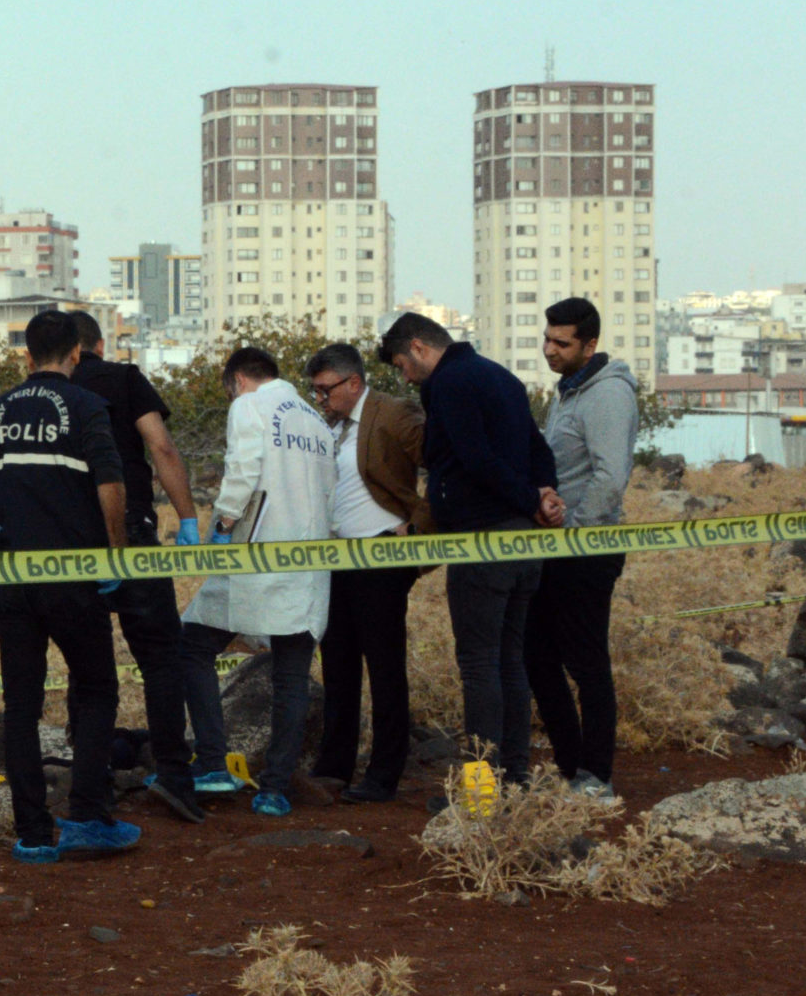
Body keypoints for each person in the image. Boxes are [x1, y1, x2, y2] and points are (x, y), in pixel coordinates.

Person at [0, 309, 137, 864]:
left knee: (21, 708)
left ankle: (31, 833)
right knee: (97, 689)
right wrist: (115, 555)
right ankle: (88, 819)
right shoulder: (86, 406)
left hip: (10, 581)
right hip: (73, 579)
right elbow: (110, 480)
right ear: (77, 354)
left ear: (26, 358)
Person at [378, 312, 562, 790]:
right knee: (510, 660)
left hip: (482, 541)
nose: (405, 376)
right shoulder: (499, 375)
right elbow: (536, 447)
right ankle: (515, 779)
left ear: (418, 347)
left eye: (402, 365)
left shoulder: (450, 383)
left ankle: (482, 790)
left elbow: (474, 458)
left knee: (480, 665)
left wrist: (528, 499)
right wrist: (544, 497)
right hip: (524, 542)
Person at [177, 347, 334, 819]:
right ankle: (275, 789)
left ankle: (212, 763)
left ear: (237, 381)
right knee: (291, 678)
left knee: (191, 645)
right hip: (308, 564)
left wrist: (222, 523)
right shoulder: (315, 420)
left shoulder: (249, 405)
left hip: (257, 557)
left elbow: (242, 471)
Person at [66, 311, 209, 824]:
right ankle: (174, 774)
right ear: (99, 344)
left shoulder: (51, 391)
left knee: (86, 665)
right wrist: (188, 517)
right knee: (160, 658)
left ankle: (90, 776)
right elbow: (161, 446)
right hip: (134, 530)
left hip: (74, 541)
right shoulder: (125, 378)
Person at [302, 343, 430, 804]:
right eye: (315, 391)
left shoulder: (394, 413)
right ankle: (334, 767)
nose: (320, 398)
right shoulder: (327, 426)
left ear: (353, 383)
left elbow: (447, 466)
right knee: (337, 666)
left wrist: (415, 531)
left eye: (325, 390)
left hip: (380, 556)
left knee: (385, 668)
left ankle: (384, 773)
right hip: (335, 558)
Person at [529, 297, 640, 803]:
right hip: (557, 547)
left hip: (587, 550)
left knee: (587, 663)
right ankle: (571, 767)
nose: (550, 350)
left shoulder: (608, 396)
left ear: (589, 345)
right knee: (537, 655)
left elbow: (610, 477)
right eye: (547, 339)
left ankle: (596, 775)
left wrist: (574, 530)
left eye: (562, 342)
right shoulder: (568, 392)